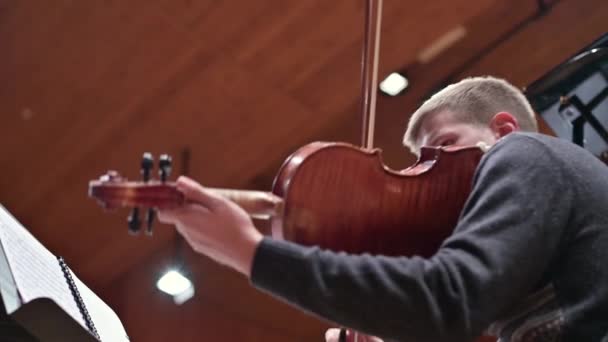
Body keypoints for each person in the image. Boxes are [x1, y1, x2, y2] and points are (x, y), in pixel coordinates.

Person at [158, 76, 608, 341]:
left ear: (503, 128)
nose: (429, 176)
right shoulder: (533, 266)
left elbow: (447, 298)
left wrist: (248, 250)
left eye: (443, 147)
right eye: (420, 162)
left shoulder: (523, 152)